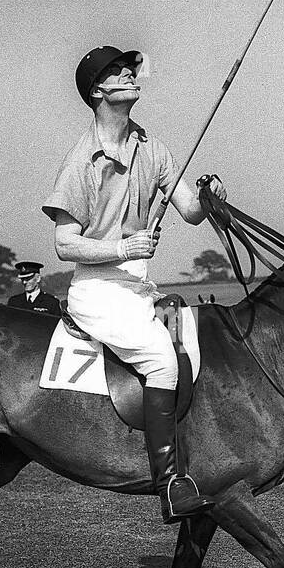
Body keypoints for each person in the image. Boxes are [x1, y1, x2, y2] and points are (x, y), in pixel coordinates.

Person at [42, 44, 226, 523]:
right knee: (163, 361)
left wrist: (208, 195)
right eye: (117, 71)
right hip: (98, 291)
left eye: (130, 68)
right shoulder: (81, 161)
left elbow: (188, 211)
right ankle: (169, 485)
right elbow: (65, 245)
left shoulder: (150, 146)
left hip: (140, 288)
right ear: (98, 91)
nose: (129, 73)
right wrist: (123, 249)